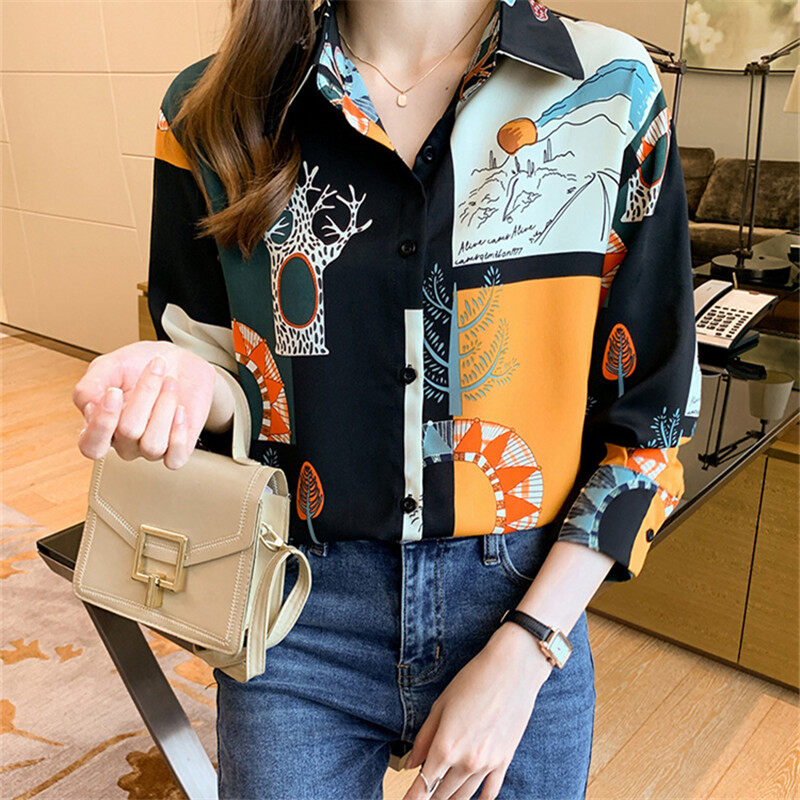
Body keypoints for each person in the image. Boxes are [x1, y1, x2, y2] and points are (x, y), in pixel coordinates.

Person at [72, 0, 702, 798]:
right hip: (296, 604)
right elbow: (223, 360)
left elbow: (651, 422)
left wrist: (528, 647)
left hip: (522, 597)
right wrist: (191, 383)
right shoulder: (211, 108)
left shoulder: (610, 86)